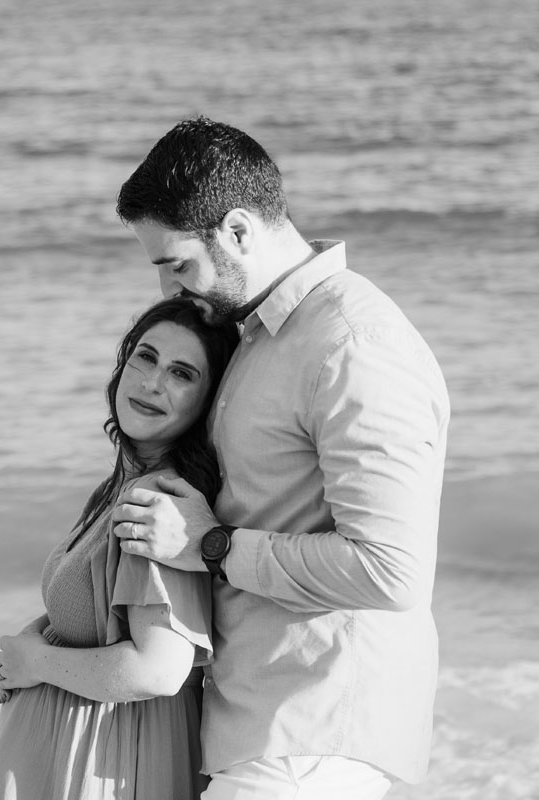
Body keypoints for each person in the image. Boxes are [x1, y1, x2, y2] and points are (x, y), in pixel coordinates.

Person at [110, 117, 450, 799]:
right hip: (266, 727)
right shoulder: (265, 335)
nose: (170, 291)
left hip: (311, 736)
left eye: (179, 264)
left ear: (238, 230)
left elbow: (391, 571)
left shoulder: (352, 344)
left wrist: (210, 545)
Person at [0, 296, 238, 800]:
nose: (152, 382)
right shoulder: (120, 487)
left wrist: (36, 663)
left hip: (111, 767)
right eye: (145, 357)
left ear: (207, 401)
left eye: (182, 373)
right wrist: (33, 638)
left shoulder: (158, 505)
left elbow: (158, 669)